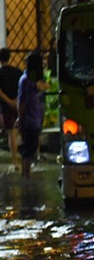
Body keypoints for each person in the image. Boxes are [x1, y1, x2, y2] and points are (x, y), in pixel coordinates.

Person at [16, 51, 46, 179]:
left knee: (28, 147)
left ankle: (26, 174)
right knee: (29, 148)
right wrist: (20, 118)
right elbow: (22, 102)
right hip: (31, 119)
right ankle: (26, 174)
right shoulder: (28, 80)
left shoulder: (28, 79)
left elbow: (22, 101)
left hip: (32, 119)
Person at [0, 48, 22, 169]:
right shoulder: (17, 72)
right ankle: (24, 158)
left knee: (11, 133)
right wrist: (16, 101)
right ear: (9, 57)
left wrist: (8, 101)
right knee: (19, 131)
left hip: (6, 106)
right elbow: (22, 87)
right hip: (18, 104)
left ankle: (15, 161)